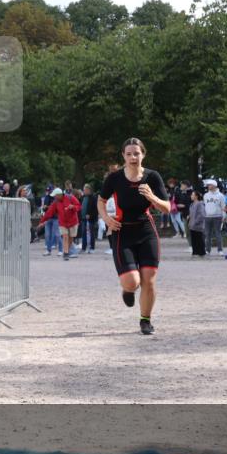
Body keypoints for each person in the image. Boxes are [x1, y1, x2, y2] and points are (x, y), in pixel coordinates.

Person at [97, 138, 170, 335]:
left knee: (149, 280)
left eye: (136, 153)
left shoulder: (152, 177)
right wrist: (106, 219)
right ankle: (128, 289)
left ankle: (145, 320)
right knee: (132, 281)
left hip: (146, 231)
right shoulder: (114, 178)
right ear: (123, 156)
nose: (133, 157)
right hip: (122, 232)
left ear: (143, 154)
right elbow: (101, 201)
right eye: (129, 154)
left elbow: (167, 208)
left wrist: (152, 197)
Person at [38, 188, 81, 261]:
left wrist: (73, 207)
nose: (54, 197)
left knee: (71, 238)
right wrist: (42, 221)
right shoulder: (56, 202)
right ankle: (66, 253)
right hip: (63, 222)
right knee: (65, 237)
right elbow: (49, 213)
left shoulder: (71, 198)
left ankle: (67, 250)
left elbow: (79, 206)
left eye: (55, 196)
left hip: (73, 222)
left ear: (59, 195)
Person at [202, 179, 225, 256]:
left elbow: (223, 206)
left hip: (217, 216)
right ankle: (207, 250)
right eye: (208, 185)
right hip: (207, 217)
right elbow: (205, 206)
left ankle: (220, 250)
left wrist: (224, 216)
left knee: (218, 233)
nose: (208, 186)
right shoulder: (205, 195)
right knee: (207, 234)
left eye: (210, 185)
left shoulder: (220, 195)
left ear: (215, 185)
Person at [78, 184, 99, 254]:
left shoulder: (93, 198)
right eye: (83, 190)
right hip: (83, 219)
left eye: (85, 190)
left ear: (88, 190)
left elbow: (96, 209)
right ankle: (83, 248)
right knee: (83, 233)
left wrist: (90, 215)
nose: (84, 191)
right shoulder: (83, 197)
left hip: (91, 219)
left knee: (91, 233)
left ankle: (92, 247)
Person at [188, 190, 207, 257]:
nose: (191, 196)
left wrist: (196, 222)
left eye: (192, 195)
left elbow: (201, 215)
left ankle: (201, 252)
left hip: (198, 225)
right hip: (192, 225)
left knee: (199, 239)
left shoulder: (200, 204)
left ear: (196, 196)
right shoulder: (192, 204)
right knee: (194, 239)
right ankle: (195, 252)